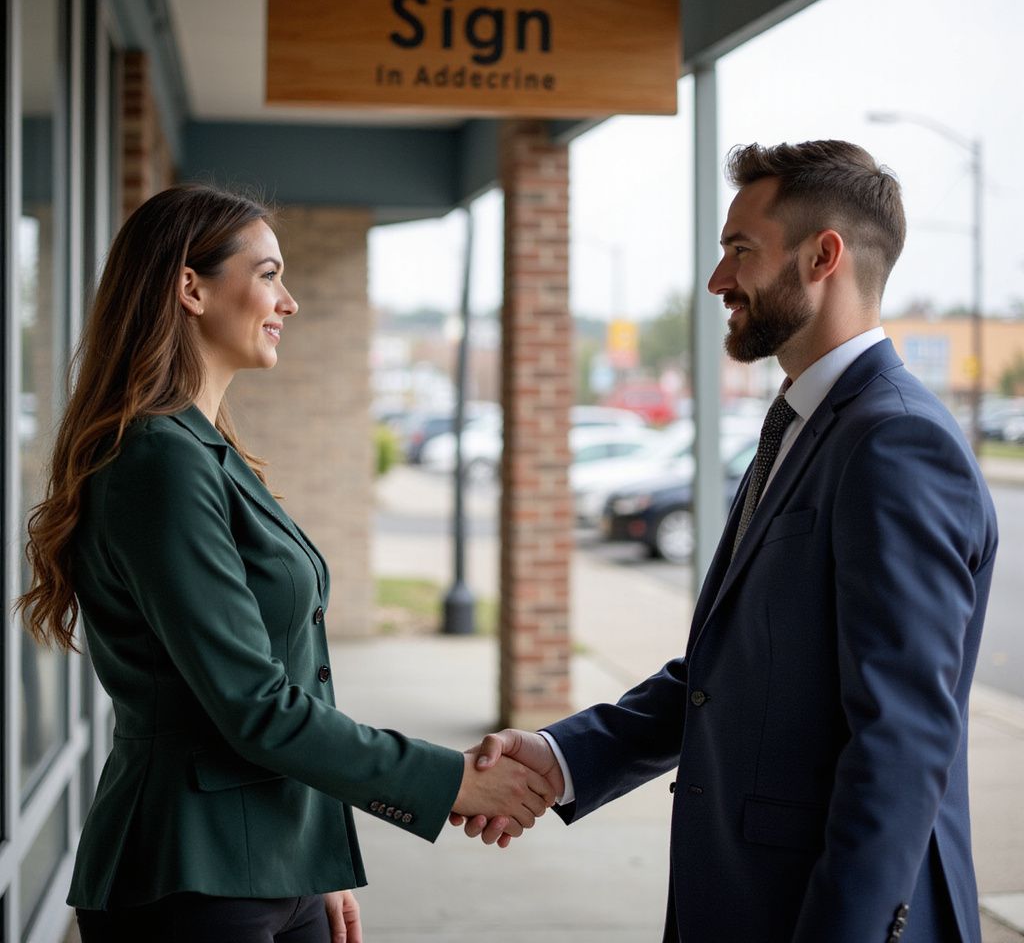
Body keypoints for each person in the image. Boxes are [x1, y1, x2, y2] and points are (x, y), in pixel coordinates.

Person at [461, 140, 998, 943]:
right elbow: (733, 671)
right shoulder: (804, 424)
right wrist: (562, 755)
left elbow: (901, 740)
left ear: (824, 256)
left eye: (739, 251)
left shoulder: (894, 442)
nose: (718, 281)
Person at [15, 184, 554, 943]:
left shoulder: (207, 451)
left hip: (278, 862)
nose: (288, 301)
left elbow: (298, 674)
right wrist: (451, 781)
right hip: (191, 872)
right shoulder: (157, 461)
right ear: (190, 287)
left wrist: (314, 856)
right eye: (267, 274)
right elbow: (254, 702)